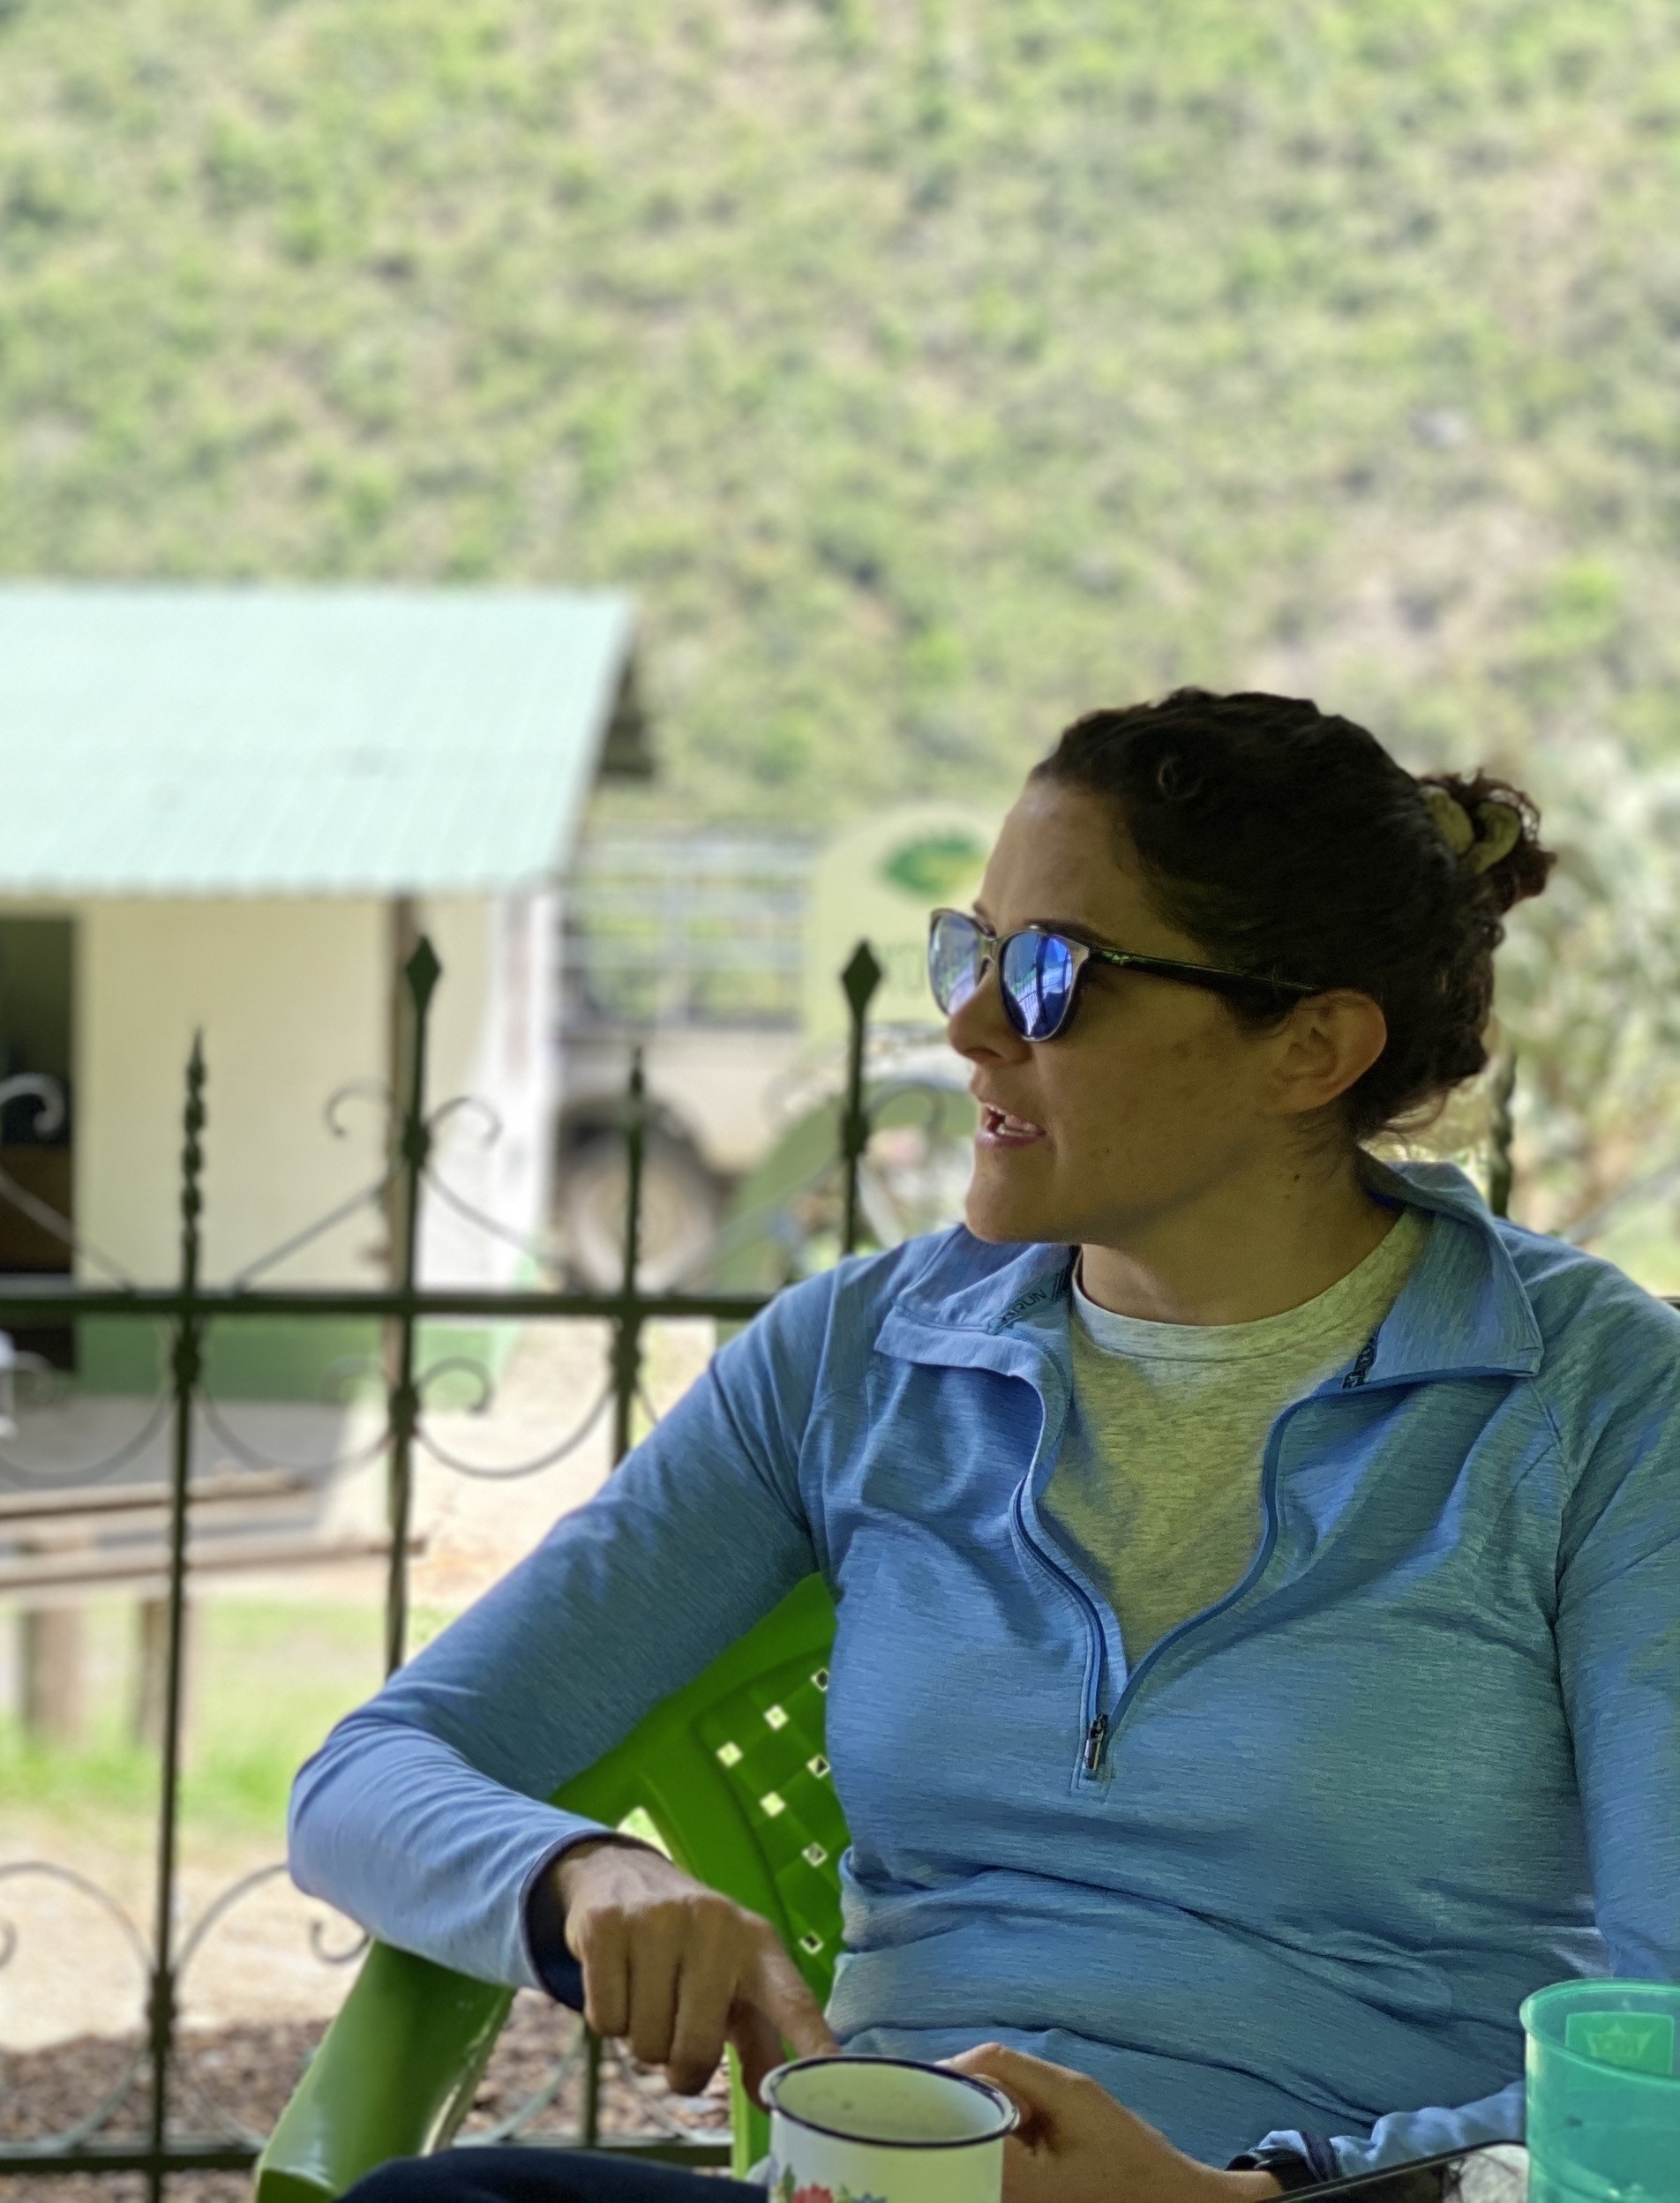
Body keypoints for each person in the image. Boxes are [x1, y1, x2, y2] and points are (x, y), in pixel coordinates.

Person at [289, 689, 1680, 2200]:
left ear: (1313, 1047)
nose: (966, 1027)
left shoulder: (1602, 1404)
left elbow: (1661, 2054)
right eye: (977, 952)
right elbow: (370, 1775)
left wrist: (1244, 2198)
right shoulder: (854, 1358)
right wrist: (578, 1874)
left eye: (1050, 976)